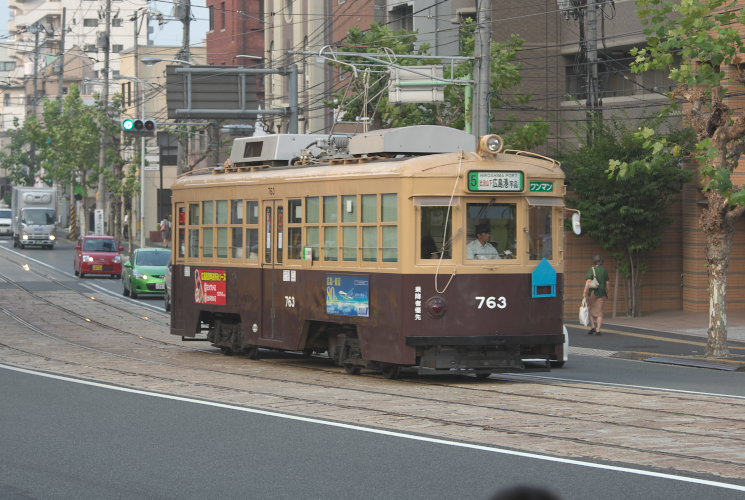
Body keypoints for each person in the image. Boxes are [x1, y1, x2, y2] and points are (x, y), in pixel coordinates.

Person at [584, 254, 610, 335]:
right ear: (601, 261)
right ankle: (598, 330)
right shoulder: (604, 270)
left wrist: (584, 292)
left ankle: (592, 327)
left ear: (594, 261)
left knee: (590, 309)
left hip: (592, 292)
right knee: (600, 311)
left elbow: (588, 282)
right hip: (602, 292)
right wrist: (607, 292)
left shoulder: (591, 269)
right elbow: (607, 283)